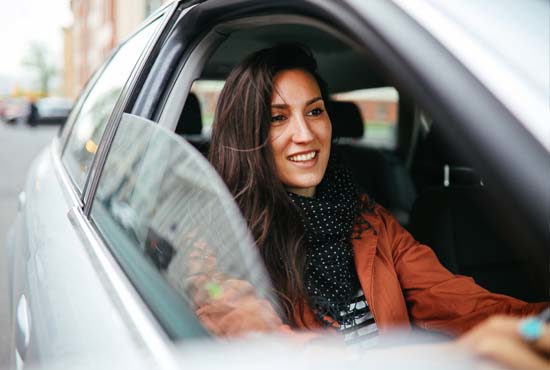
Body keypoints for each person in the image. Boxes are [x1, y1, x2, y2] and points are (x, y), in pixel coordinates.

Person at [199, 44, 548, 367]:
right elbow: (275, 352)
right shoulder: (216, 249)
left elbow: (458, 302)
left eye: (315, 111)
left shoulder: (368, 220)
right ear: (246, 134)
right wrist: (451, 354)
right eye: (278, 118)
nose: (305, 134)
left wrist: (537, 325)